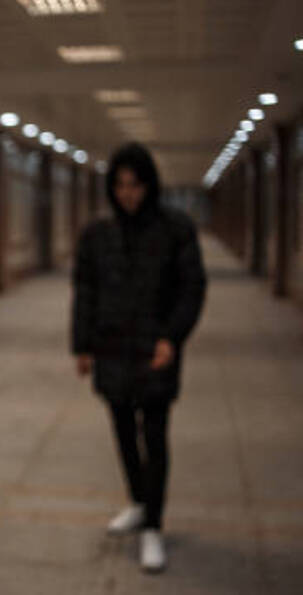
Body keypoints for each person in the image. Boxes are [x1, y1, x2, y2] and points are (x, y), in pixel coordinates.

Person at [71, 142, 206, 573]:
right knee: (124, 432)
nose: (128, 193)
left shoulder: (175, 229)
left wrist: (173, 338)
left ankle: (154, 526)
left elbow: (192, 288)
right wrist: (82, 345)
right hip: (111, 350)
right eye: (120, 185)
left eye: (136, 184)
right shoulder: (97, 235)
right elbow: (85, 291)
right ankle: (137, 502)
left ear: (150, 185)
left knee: (156, 436)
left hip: (155, 351)